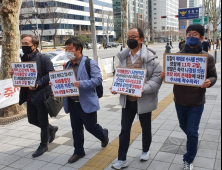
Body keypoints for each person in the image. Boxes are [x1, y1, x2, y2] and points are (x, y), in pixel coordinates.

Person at [160, 24, 217, 170]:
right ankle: (194, 140)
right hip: (179, 100)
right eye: (189, 34)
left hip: (196, 102)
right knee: (183, 126)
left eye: (195, 34)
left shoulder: (207, 57)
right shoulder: (177, 56)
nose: (191, 37)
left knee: (192, 131)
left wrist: (209, 81)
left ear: (202, 38)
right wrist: (165, 75)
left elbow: (213, 76)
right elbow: (170, 73)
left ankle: (188, 159)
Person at [111, 28, 163, 170]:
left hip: (144, 101)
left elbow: (157, 79)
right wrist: (115, 87)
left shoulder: (152, 59)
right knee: (124, 129)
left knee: (145, 128)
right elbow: (120, 77)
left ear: (141, 39)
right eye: (128, 37)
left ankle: (145, 150)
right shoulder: (123, 57)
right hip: (127, 101)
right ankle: (122, 159)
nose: (130, 39)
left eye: (133, 36)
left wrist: (143, 89)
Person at [56, 38, 109, 164]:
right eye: (66, 49)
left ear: (78, 50)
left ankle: (103, 135)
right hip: (72, 103)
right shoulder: (67, 64)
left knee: (91, 127)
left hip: (86, 102)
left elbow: (98, 80)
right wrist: (55, 84)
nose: (67, 51)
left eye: (70, 49)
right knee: (76, 128)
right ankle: (78, 151)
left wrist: (82, 84)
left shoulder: (89, 63)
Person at [9, 35, 58, 158]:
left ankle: (43, 145)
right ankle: (51, 129)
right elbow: (23, 76)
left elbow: (51, 74)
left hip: (41, 95)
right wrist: (14, 74)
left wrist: (38, 84)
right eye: (22, 43)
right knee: (32, 120)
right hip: (28, 96)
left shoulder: (43, 58)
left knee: (42, 121)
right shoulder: (24, 58)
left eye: (26, 43)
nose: (23, 46)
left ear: (34, 46)